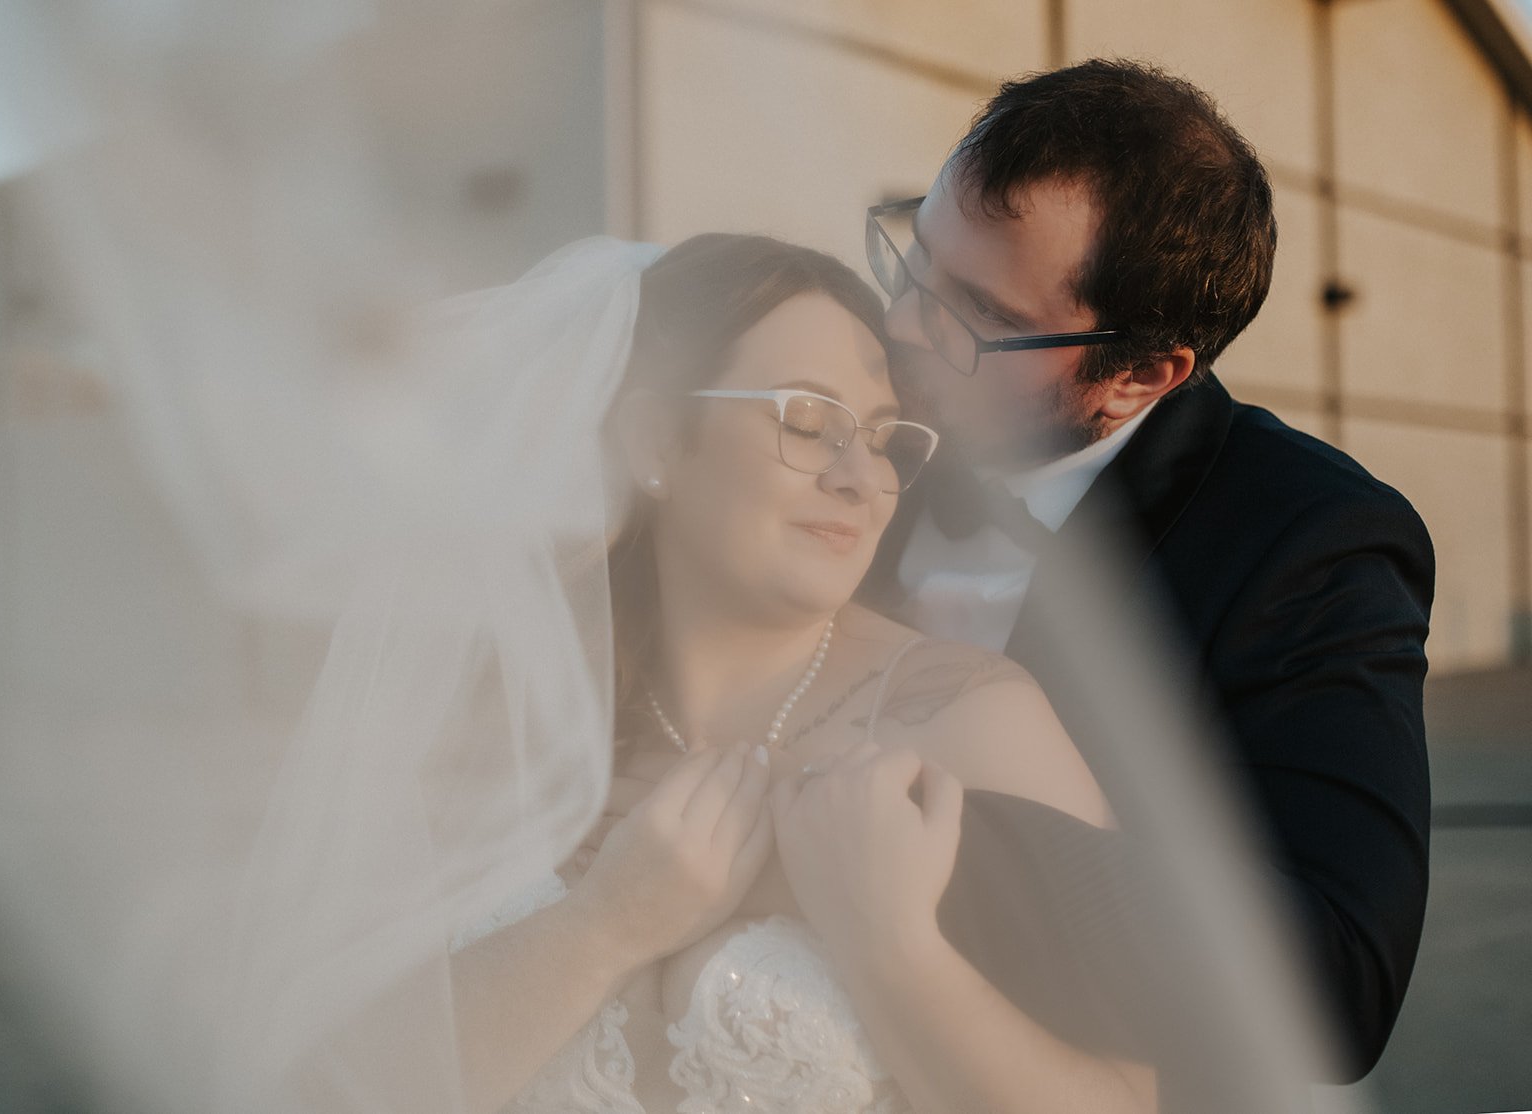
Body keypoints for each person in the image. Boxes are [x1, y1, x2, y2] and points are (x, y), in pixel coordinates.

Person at [444, 232, 1159, 1114]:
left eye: (886, 439)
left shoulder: (967, 718)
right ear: (656, 437)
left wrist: (889, 944)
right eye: (808, 424)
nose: (863, 479)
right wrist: (603, 926)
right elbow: (333, 1081)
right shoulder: (502, 718)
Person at [858, 58, 1434, 1084]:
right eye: (912, 260)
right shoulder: (854, 419)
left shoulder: (1308, 541)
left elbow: (1329, 985)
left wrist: (894, 833)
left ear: (1140, 374)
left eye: (972, 314)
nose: (900, 329)